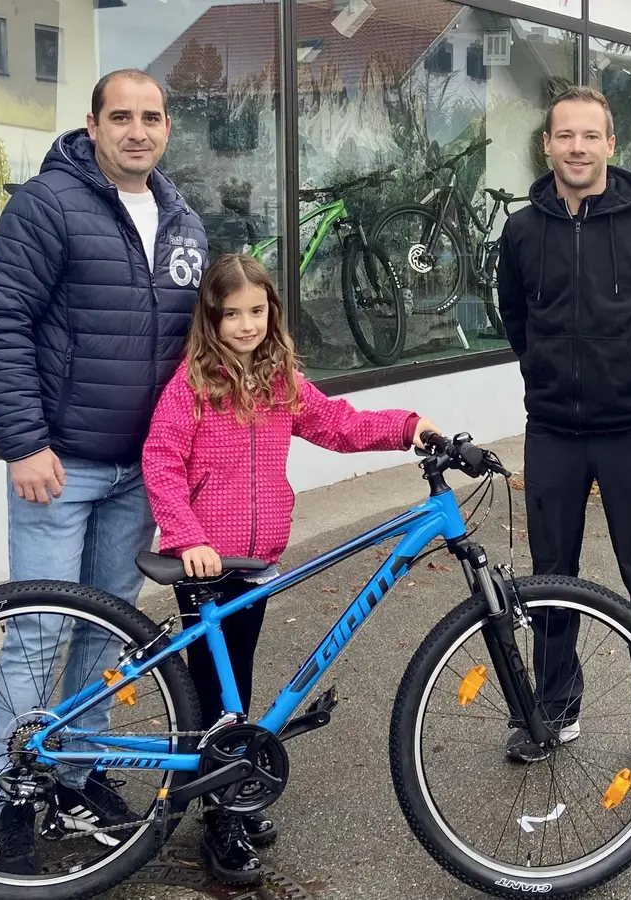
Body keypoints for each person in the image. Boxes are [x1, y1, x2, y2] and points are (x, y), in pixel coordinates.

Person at [0, 68, 209, 876]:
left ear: (166, 128)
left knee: (108, 633)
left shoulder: (182, 220)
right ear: (93, 124)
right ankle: (10, 802)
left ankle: (71, 774)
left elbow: (195, 353)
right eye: (122, 118)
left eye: (151, 118)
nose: (137, 131)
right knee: (38, 632)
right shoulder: (48, 205)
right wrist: (24, 442)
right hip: (60, 466)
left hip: (139, 473)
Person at [142, 253, 438, 885]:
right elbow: (161, 461)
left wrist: (407, 426)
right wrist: (187, 536)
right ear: (212, 318)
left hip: (256, 561)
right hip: (205, 564)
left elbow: (339, 426)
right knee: (212, 693)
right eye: (233, 314)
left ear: (271, 311)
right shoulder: (191, 384)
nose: (247, 325)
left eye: (257, 311)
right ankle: (217, 811)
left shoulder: (280, 381)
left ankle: (228, 783)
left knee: (236, 682)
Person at [496, 85, 631, 765]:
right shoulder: (522, 232)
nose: (577, 147)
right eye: (565, 136)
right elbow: (516, 321)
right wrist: (549, 378)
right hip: (553, 429)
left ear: (612, 144)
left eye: (590, 136)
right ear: (547, 145)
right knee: (552, 579)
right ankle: (554, 712)